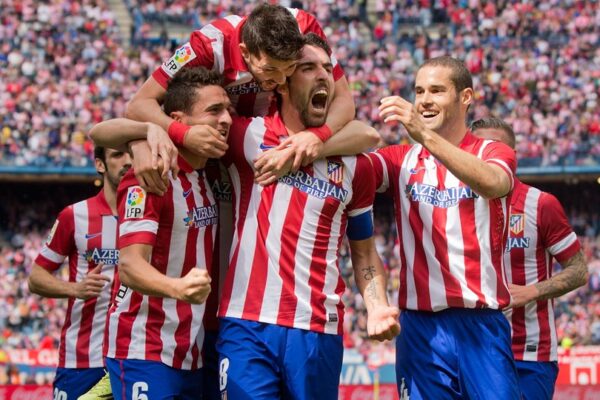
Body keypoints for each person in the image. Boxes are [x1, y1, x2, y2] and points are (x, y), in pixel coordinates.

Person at [215, 33, 399, 400]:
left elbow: (363, 254)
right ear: (282, 81)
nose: (324, 76)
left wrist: (377, 305)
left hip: (317, 329)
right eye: (308, 67)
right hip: (245, 323)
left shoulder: (353, 166)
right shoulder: (247, 137)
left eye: (328, 69)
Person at [370, 56, 520, 399]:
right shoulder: (398, 159)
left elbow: (495, 183)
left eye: (436, 90)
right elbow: (354, 170)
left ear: (465, 96)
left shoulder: (492, 150)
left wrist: (422, 134)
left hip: (481, 324)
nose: (423, 99)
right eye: (419, 90)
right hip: (420, 328)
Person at [90, 67, 231, 400]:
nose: (226, 120)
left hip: (190, 352)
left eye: (228, 111)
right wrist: (178, 288)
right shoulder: (152, 174)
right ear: (179, 120)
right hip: (144, 347)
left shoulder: (203, 176)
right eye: (214, 111)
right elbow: (130, 266)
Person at [126, 3, 355, 169]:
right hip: (222, 149)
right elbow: (139, 104)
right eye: (270, 70)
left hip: (280, 140)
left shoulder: (305, 28)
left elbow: (344, 99)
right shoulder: (207, 46)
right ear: (245, 51)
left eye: (289, 68)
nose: (281, 80)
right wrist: (184, 134)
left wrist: (317, 136)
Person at [472, 117, 588, 400]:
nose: (487, 155)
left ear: (512, 157)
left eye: (495, 148)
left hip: (527, 353)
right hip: (472, 349)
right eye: (478, 147)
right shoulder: (453, 203)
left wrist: (531, 291)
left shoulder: (540, 204)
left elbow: (579, 270)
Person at [28, 147, 131, 399]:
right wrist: (75, 289)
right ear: (100, 164)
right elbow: (36, 278)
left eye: (132, 153)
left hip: (135, 358)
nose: (128, 161)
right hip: (82, 360)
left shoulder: (154, 214)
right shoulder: (75, 215)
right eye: (118, 155)